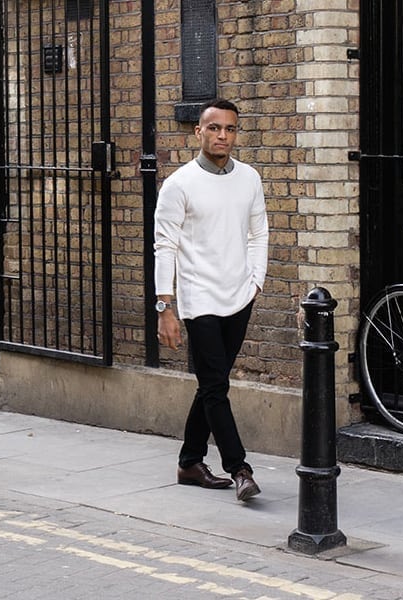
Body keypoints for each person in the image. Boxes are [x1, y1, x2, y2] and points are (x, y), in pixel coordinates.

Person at [153, 98, 269, 502]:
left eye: (230, 129)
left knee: (210, 384)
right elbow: (164, 247)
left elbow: (258, 233)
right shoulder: (179, 184)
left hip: (239, 295)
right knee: (217, 386)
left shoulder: (250, 178)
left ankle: (189, 461)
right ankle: (240, 469)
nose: (223, 135)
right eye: (214, 128)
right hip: (198, 298)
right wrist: (164, 306)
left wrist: (256, 281)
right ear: (198, 132)